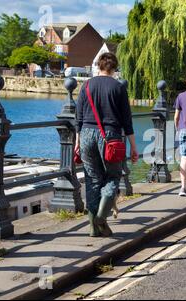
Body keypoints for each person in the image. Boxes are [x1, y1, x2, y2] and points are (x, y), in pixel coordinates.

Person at [75, 52, 139, 237]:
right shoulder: (118, 88)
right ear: (115, 68)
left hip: (86, 134)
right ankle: (101, 217)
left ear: (98, 66)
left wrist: (78, 141)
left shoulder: (86, 86)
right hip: (110, 137)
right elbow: (127, 121)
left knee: (92, 180)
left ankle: (93, 228)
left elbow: (78, 118)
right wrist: (134, 147)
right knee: (113, 177)